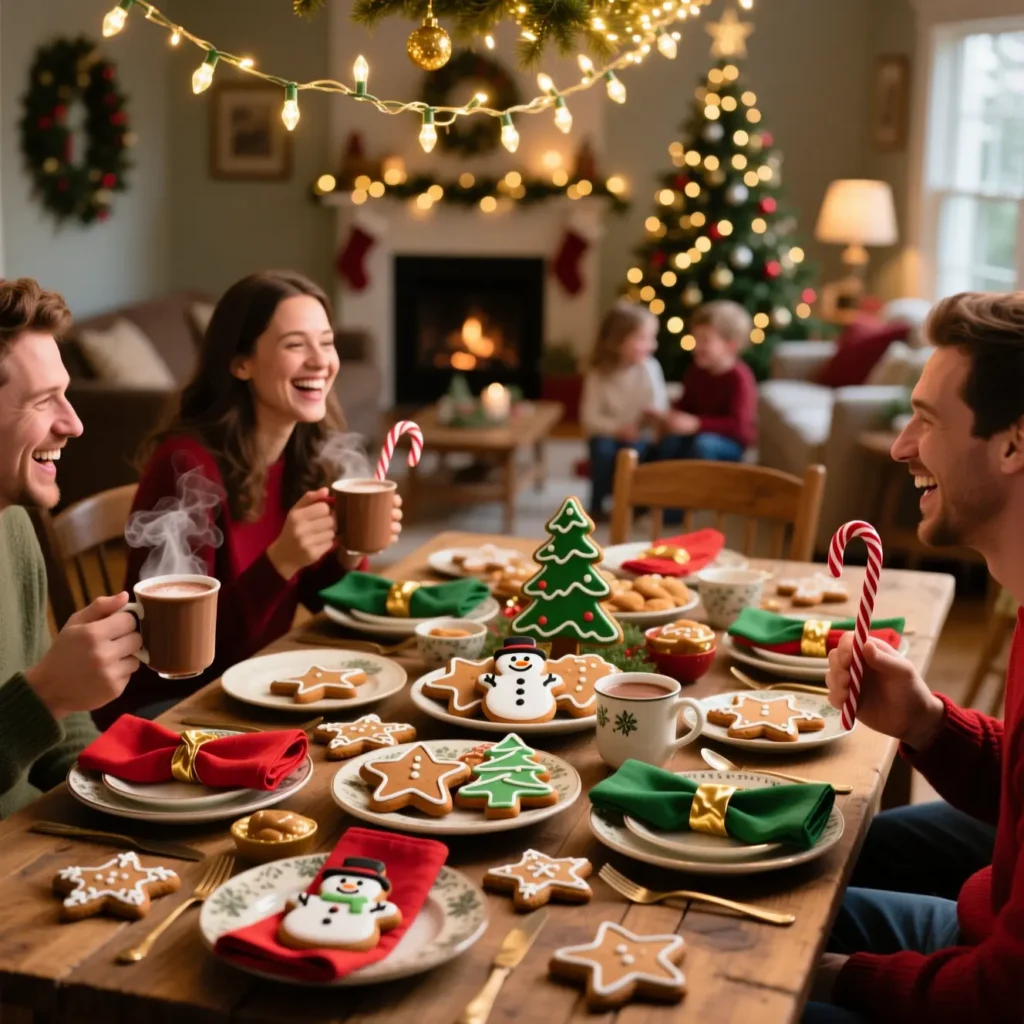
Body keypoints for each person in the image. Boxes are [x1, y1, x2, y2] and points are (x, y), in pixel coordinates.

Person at [805, 291, 1024, 1022]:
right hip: (984, 927)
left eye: (927, 421)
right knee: (749, 894)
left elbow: (1003, 995)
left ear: (1014, 444)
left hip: (988, 987)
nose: (902, 446)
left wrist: (827, 976)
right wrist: (928, 721)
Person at [97, 271, 401, 727]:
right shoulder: (186, 467)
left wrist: (349, 550)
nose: (321, 361)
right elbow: (185, 658)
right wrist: (280, 562)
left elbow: (324, 600)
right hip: (171, 712)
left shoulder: (302, 451)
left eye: (327, 341)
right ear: (240, 362)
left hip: (252, 689)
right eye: (296, 345)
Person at [0, 278, 142, 815]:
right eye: (43, 401)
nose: (74, 423)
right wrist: (49, 694)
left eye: (67, 394)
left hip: (34, 833)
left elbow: (58, 717)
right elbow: (42, 696)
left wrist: (107, 787)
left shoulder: (15, 520)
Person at [579, 301, 668, 518]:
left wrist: (645, 422)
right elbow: (589, 417)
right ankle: (598, 503)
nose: (652, 345)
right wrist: (618, 429)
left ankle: (635, 501)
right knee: (603, 450)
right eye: (643, 338)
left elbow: (659, 406)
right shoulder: (598, 373)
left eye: (652, 338)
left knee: (636, 449)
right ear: (617, 341)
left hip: (640, 433)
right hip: (608, 433)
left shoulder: (650, 368)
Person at [651, 300, 756, 462]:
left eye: (705, 340)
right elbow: (685, 405)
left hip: (727, 443)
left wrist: (697, 424)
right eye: (696, 339)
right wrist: (671, 418)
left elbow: (739, 427)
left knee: (703, 445)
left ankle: (700, 486)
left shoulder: (739, 378)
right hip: (696, 435)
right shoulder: (696, 371)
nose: (697, 347)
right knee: (670, 443)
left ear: (730, 346)